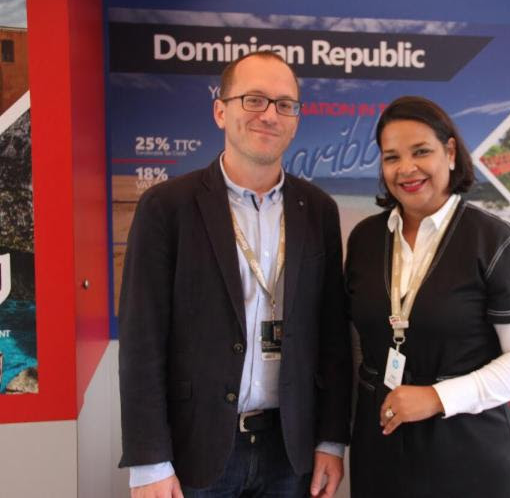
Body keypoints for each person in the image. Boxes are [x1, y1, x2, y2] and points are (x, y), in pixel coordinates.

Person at [118, 51, 351, 498]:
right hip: (195, 450)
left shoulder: (319, 210)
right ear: (220, 111)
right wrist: (149, 462)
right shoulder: (167, 207)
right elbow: (141, 340)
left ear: (296, 120)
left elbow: (332, 338)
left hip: (291, 453)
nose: (270, 115)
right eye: (254, 99)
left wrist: (330, 440)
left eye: (285, 104)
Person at [345, 96, 510, 498]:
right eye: (392, 157)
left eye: (421, 151)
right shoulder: (365, 239)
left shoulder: (497, 241)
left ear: (451, 152)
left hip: (465, 445)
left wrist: (438, 397)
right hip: (379, 443)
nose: (406, 168)